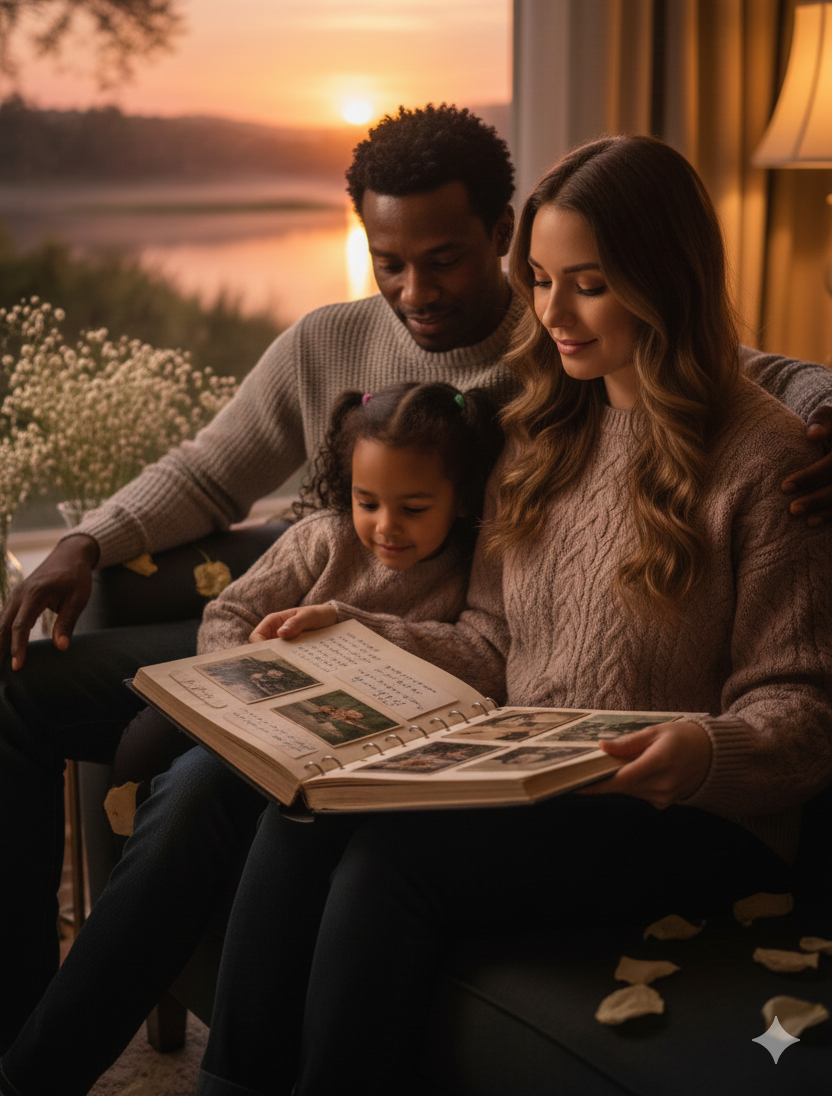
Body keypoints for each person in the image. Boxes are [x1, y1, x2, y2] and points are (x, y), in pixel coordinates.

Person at [0, 106, 829, 1054]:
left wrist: (706, 746)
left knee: (378, 858)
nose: (551, 314)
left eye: (588, 286)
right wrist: (346, 629)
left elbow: (799, 705)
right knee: (297, 805)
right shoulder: (539, 428)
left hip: (679, 807)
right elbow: (481, 634)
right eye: (547, 285)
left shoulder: (760, 456)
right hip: (501, 745)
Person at [0, 379, 503, 1096]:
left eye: (414, 508)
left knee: (202, 793)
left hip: (374, 757)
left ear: (463, 497)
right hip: (262, 734)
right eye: (368, 502)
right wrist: (245, 684)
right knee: (192, 786)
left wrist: (353, 625)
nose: (386, 526)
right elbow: (229, 613)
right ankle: (34, 1072)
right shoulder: (322, 539)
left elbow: (485, 655)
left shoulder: (474, 563)